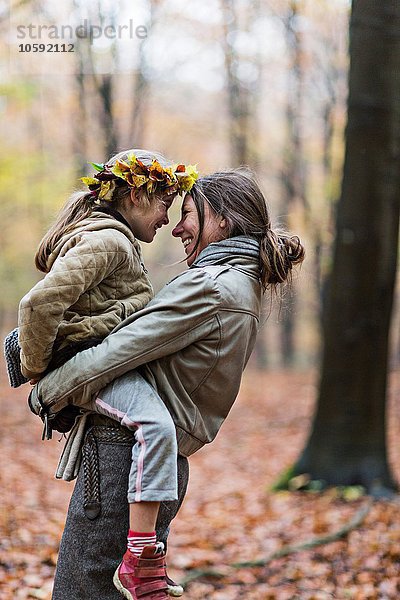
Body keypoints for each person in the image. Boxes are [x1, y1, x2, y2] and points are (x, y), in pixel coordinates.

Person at [29, 168, 305, 600]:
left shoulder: (212, 286)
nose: (177, 228)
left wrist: (46, 390)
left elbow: (118, 350)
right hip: (160, 465)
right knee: (126, 590)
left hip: (124, 457)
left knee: (85, 589)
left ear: (222, 221)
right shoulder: (243, 285)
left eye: (189, 214)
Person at [19, 148, 198, 598]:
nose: (165, 219)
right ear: (136, 195)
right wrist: (41, 368)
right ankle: (141, 555)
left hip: (102, 365)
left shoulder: (116, 240)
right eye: (163, 206)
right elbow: (37, 304)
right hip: (92, 369)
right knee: (156, 426)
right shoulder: (109, 241)